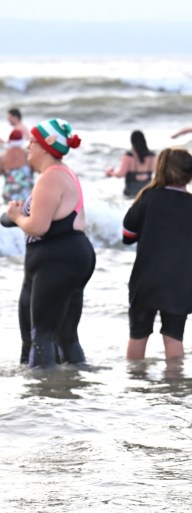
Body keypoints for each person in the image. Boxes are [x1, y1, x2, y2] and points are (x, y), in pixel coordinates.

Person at [4, 118, 95, 368]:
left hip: (56, 258)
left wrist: (15, 216)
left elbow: (38, 227)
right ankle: (73, 384)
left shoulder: (50, 177)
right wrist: (21, 214)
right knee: (66, 335)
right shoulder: (64, 174)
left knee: (40, 335)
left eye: (32, 142)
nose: (28, 148)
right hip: (73, 255)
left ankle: (40, 399)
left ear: (45, 146)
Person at [122, 148, 192, 361]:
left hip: (146, 279)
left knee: (137, 336)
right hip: (181, 281)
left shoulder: (147, 198)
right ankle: (173, 386)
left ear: (159, 169)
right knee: (173, 338)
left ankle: (135, 385)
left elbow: (127, 235)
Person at [0, 128, 35, 204]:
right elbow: (43, 171)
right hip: (26, 196)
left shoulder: (3, 158)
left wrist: (2, 171)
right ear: (22, 140)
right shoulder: (28, 155)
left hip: (9, 197)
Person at [106, 130, 156, 198]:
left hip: (131, 192)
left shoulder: (129, 156)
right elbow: (157, 172)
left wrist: (110, 172)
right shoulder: (152, 156)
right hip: (147, 192)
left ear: (132, 142)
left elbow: (120, 174)